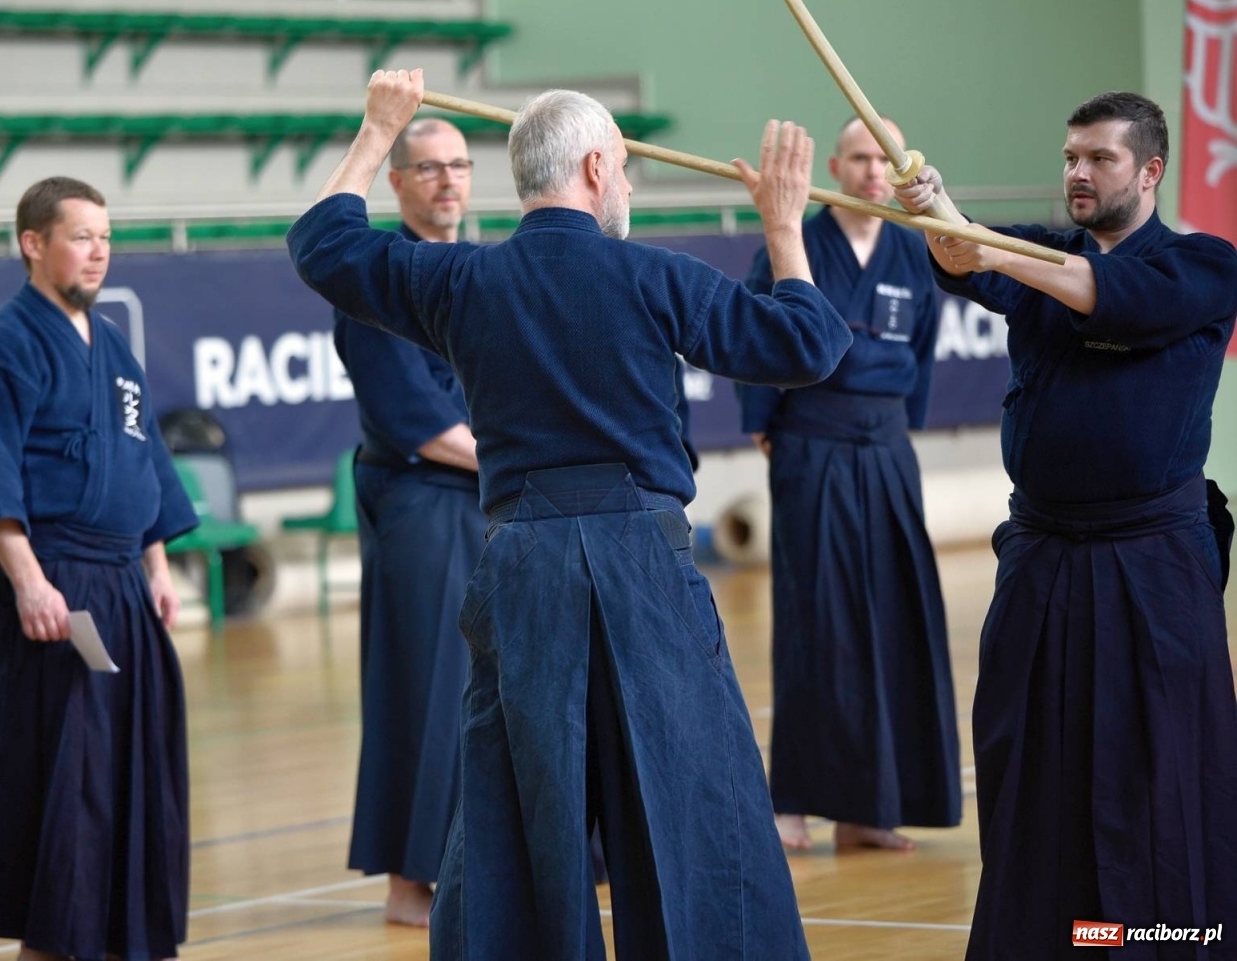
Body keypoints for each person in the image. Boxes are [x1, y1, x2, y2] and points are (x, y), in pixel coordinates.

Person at [289, 69, 852, 959]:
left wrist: (378, 126)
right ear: (595, 168)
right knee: (689, 793)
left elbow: (322, 245)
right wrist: (782, 224)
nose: (626, 184)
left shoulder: (462, 283)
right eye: (623, 169)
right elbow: (808, 345)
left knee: (520, 805)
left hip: (523, 567)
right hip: (645, 566)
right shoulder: (656, 275)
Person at [894, 91, 1237, 957]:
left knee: (1154, 777)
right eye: (1070, 158)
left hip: (1153, 566)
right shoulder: (1043, 252)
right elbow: (969, 257)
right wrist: (938, 211)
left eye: (1100, 159)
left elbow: (1097, 291)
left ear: (1150, 171)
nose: (1078, 173)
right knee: (1027, 762)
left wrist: (986, 251)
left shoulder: (1203, 267)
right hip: (1042, 556)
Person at [0, 176, 199, 961]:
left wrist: (158, 565)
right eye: (81, 236)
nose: (98, 252)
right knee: (71, 788)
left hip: (124, 584)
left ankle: (119, 939)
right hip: (57, 588)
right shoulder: (1, 347)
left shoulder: (114, 347)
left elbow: (146, 461)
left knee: (133, 778)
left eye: (106, 237)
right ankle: (53, 946)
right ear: (33, 244)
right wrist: (28, 580)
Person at [736, 117, 959, 853]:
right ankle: (797, 798)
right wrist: (769, 427)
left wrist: (901, 429)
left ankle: (873, 804)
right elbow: (754, 334)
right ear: (833, 165)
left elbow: (922, 355)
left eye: (883, 159)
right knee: (816, 620)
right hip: (812, 441)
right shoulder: (795, 242)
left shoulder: (908, 249)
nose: (871, 171)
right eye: (858, 157)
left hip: (887, 446)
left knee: (897, 616)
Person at [334, 117, 486, 927]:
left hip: (492, 499)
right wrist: (515, 459)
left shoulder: (483, 269)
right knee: (425, 687)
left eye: (459, 165)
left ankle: (495, 862)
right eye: (428, 168)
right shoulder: (375, 282)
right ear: (396, 182)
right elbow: (418, 422)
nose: (448, 181)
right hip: (423, 504)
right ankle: (409, 882)